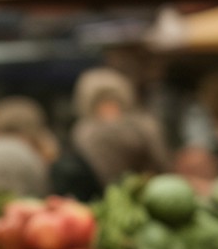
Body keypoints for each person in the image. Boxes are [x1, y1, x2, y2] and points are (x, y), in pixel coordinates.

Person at [50, 66, 167, 199]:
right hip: (136, 194)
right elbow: (161, 162)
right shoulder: (145, 125)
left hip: (136, 194)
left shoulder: (84, 132)